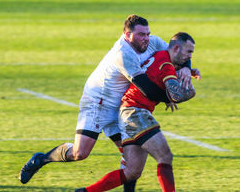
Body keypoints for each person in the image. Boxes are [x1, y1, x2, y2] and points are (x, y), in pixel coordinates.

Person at [19, 15, 199, 192]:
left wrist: (185, 67)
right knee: (80, 153)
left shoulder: (152, 41)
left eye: (147, 34)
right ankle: (42, 159)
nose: (146, 39)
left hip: (122, 106)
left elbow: (176, 51)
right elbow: (147, 89)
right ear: (127, 35)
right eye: (141, 35)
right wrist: (171, 97)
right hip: (97, 103)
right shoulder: (123, 53)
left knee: (133, 161)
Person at [75, 32, 198, 192]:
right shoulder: (166, 65)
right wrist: (190, 92)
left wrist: (186, 70)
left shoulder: (160, 54)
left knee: (132, 171)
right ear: (175, 48)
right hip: (136, 112)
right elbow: (175, 95)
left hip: (127, 112)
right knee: (165, 156)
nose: (189, 57)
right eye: (189, 52)